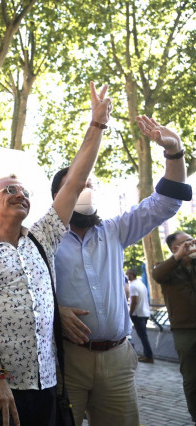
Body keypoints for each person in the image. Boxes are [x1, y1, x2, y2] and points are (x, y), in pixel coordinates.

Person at [0, 82, 112, 426]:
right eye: (10, 189)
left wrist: (96, 124)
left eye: (24, 191)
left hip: (45, 385)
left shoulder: (44, 238)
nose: (20, 194)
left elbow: (74, 180)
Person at [52, 116, 192, 426]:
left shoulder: (115, 230)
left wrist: (175, 152)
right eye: (78, 185)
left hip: (117, 359)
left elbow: (166, 203)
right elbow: (25, 290)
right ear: (58, 198)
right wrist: (55, 311)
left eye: (90, 185)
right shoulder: (44, 239)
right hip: (66, 360)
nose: (86, 191)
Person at [152, 231, 196, 422]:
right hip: (184, 330)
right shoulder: (167, 269)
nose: (192, 243)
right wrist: (178, 257)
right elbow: (157, 274)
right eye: (187, 242)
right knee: (192, 378)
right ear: (175, 248)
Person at [126, 268, 154, 363]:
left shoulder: (133, 286)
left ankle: (149, 355)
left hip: (137, 314)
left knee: (143, 336)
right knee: (143, 335)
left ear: (132, 275)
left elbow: (134, 301)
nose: (127, 276)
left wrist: (130, 313)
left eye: (128, 274)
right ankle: (146, 354)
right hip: (144, 313)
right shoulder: (141, 284)